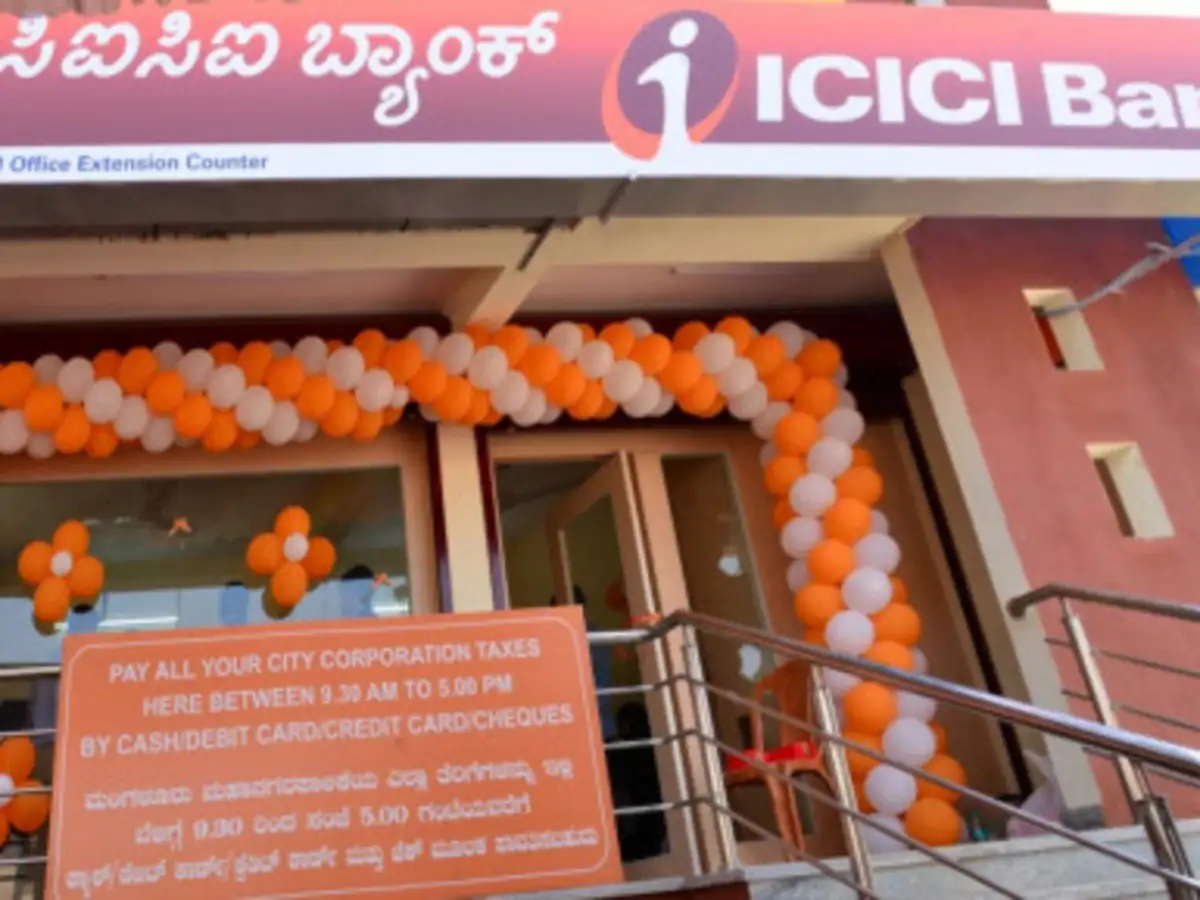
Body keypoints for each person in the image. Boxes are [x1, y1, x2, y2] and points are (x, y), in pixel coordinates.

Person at [551, 585, 616, 742]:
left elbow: (602, 685)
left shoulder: (594, 637)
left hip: (596, 726)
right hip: (569, 726)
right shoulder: (553, 638)